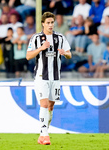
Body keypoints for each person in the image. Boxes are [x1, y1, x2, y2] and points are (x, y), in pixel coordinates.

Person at [26, 12, 71, 145]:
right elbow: (28, 56)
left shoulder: (60, 37)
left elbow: (69, 54)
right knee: (44, 104)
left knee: (51, 106)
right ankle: (45, 135)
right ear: (43, 24)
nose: (51, 25)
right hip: (41, 76)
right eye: (48, 23)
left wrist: (65, 53)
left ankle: (42, 133)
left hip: (55, 77)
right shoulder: (36, 38)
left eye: (52, 22)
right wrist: (41, 48)